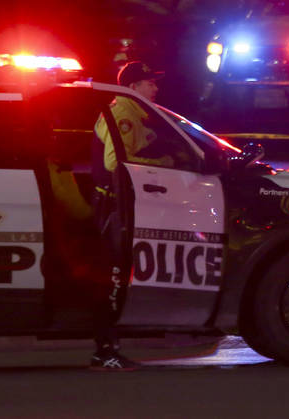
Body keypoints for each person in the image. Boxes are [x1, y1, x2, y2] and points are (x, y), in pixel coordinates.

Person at [86, 61, 167, 371]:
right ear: (133, 88)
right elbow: (114, 164)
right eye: (150, 83)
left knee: (118, 278)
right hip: (112, 209)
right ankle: (105, 350)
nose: (155, 88)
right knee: (114, 279)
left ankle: (107, 347)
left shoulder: (135, 114)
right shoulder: (123, 114)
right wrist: (161, 160)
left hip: (119, 206)